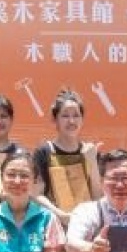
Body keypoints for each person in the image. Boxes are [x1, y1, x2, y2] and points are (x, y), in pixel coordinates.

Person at [32, 89, 103, 226]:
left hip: (86, 225)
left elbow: (98, 197)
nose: (71, 121)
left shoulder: (91, 151)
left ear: (82, 119)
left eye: (76, 116)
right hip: (53, 225)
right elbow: (36, 195)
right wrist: (61, 215)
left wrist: (92, 162)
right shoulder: (44, 151)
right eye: (65, 116)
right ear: (55, 119)